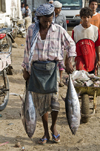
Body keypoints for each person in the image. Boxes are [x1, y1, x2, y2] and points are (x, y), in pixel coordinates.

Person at [22, 4, 76, 145]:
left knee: (54, 102)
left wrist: (69, 60)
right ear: (38, 18)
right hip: (36, 70)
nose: (47, 23)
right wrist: (25, 69)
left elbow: (71, 44)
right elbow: (27, 51)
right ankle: (46, 131)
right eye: (44, 20)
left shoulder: (58, 30)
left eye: (50, 20)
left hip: (53, 70)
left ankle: (54, 126)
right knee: (41, 104)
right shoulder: (31, 30)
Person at [72, 7, 100, 73]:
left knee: (91, 80)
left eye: (88, 17)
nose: (86, 19)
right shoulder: (76, 30)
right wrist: (69, 60)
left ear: (91, 17)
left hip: (92, 59)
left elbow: (97, 45)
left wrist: (98, 59)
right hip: (80, 59)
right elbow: (71, 46)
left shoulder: (95, 29)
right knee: (81, 78)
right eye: (84, 17)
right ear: (81, 17)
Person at [53, 1, 67, 87]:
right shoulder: (50, 16)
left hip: (60, 42)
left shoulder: (63, 16)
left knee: (61, 61)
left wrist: (65, 42)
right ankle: (54, 80)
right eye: (57, 8)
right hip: (51, 42)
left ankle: (60, 80)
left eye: (60, 8)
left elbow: (65, 29)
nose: (59, 10)